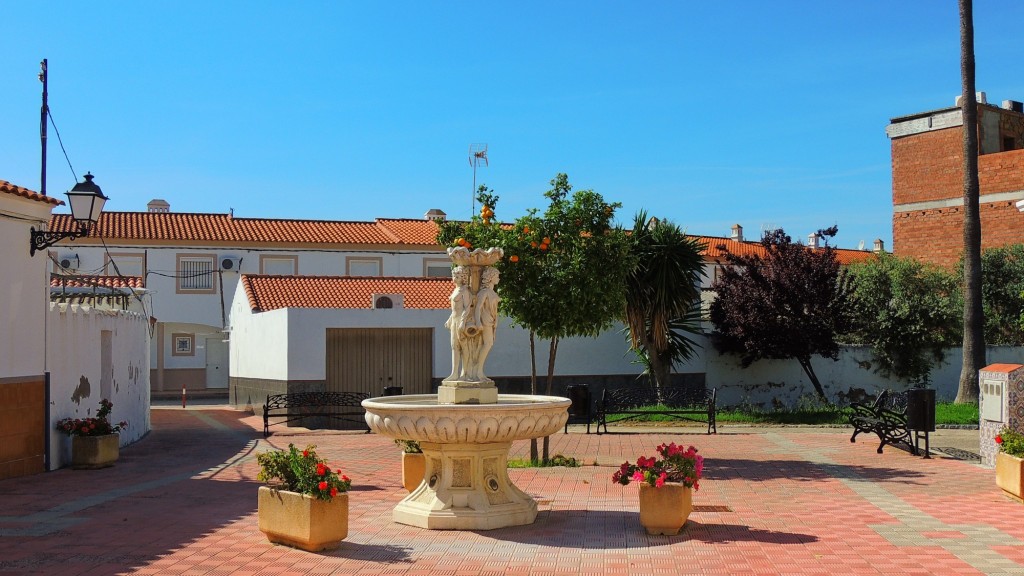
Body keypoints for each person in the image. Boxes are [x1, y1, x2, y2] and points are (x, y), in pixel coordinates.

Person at [468, 266, 500, 382]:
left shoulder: (491, 292)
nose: (498, 279)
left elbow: (494, 309)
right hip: (485, 321)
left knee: (488, 344)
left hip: (491, 321)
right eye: (496, 276)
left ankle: (478, 370)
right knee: (487, 344)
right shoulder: (484, 292)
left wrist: (497, 320)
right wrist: (477, 322)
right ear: (490, 278)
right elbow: (478, 308)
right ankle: (477, 371)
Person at [444, 266, 474, 381]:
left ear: (463, 278)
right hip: (454, 321)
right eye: (454, 275)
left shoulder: (464, 291)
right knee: (454, 347)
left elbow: (467, 308)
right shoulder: (455, 290)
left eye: (457, 276)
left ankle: (465, 373)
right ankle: (454, 373)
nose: (454, 278)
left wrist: (463, 322)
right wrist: (450, 319)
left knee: (464, 347)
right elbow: (454, 309)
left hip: (461, 321)